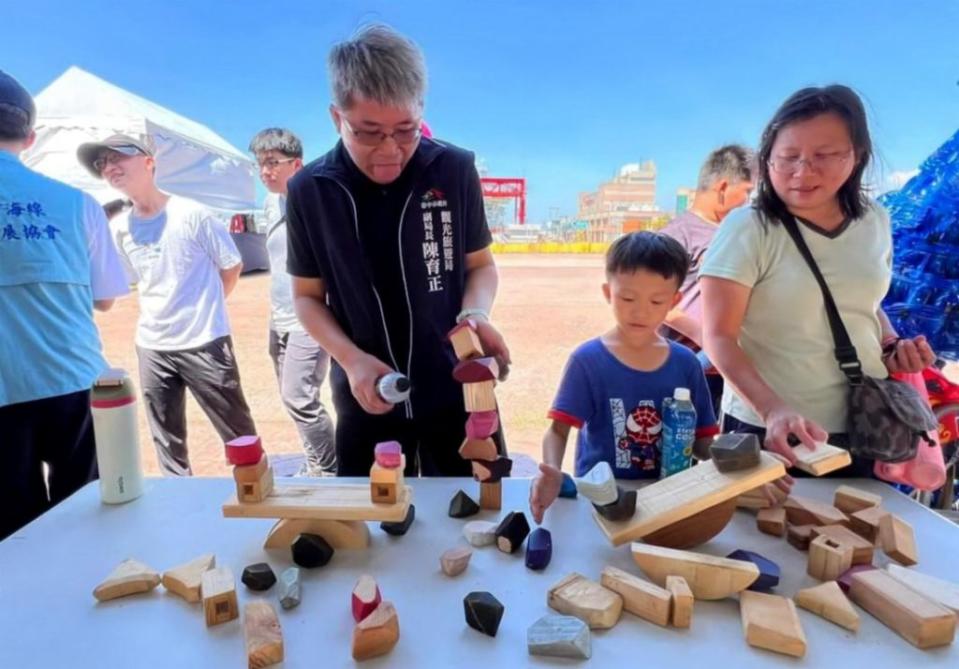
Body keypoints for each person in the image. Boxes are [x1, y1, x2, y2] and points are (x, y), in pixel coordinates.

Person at [286, 24, 510, 476]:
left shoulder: (452, 168)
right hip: (367, 396)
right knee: (372, 533)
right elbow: (307, 298)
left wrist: (475, 316)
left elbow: (481, 267)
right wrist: (350, 360)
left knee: (477, 512)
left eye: (406, 129)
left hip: (458, 390)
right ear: (336, 118)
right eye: (369, 132)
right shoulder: (310, 189)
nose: (390, 150)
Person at [699, 85, 935, 476]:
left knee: (852, 533)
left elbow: (863, 305)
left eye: (824, 156)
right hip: (772, 429)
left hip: (864, 423)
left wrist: (893, 345)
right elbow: (719, 336)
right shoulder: (750, 227)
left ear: (857, 155)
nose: (803, 171)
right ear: (767, 159)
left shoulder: (874, 220)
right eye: (788, 157)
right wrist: (772, 408)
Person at [76, 133, 257, 476]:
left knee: (238, 436)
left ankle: (258, 499)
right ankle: (180, 509)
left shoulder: (193, 215)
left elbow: (231, 265)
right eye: (102, 163)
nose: (109, 167)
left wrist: (208, 308)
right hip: (152, 347)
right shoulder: (119, 229)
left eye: (117, 157)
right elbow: (125, 285)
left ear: (149, 161)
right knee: (167, 444)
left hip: (205, 342)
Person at [0, 70, 128, 539]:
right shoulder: (77, 203)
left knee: (12, 537)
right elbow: (107, 298)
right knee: (86, 517)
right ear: (29, 138)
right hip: (72, 382)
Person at [529, 232, 719, 523]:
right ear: (608, 293)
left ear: (675, 300)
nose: (640, 311)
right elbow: (558, 431)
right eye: (627, 297)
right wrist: (551, 468)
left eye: (657, 301)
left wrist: (741, 462)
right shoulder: (588, 361)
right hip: (600, 500)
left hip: (668, 500)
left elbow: (703, 441)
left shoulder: (686, 364)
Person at [249, 128, 336, 476]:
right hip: (280, 317)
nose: (265, 171)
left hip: (309, 317)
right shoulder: (271, 204)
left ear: (296, 164)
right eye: (260, 164)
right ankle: (317, 461)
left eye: (273, 163)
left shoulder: (317, 203)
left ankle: (329, 469)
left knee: (298, 396)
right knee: (297, 398)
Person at [661, 144, 754, 412]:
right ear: (723, 187)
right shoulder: (677, 235)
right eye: (746, 192)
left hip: (726, 369)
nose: (748, 201)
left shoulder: (739, 233)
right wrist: (708, 339)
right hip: (687, 365)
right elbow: (659, 304)